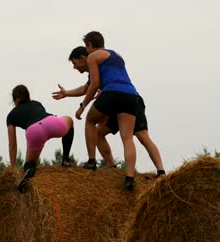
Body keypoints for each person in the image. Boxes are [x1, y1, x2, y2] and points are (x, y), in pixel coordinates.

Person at [53, 46, 166, 177]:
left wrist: (82, 106)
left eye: (74, 63)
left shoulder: (98, 63)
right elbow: (86, 88)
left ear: (83, 58)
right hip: (114, 102)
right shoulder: (94, 70)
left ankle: (161, 171)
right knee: (99, 133)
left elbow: (93, 87)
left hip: (129, 100)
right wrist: (66, 93)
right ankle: (112, 168)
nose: (74, 67)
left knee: (142, 135)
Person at [75, 31, 140, 191]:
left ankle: (91, 161)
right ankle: (129, 178)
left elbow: (94, 83)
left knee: (90, 121)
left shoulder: (93, 56)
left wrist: (82, 106)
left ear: (89, 45)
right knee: (127, 138)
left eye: (86, 46)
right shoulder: (117, 55)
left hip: (112, 92)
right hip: (131, 94)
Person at [7, 85, 74, 193]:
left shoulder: (11, 115)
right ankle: (65, 159)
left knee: (30, 164)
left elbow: (12, 144)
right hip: (51, 122)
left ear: (16, 99)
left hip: (34, 132)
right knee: (69, 120)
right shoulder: (36, 103)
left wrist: (12, 168)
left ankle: (28, 172)